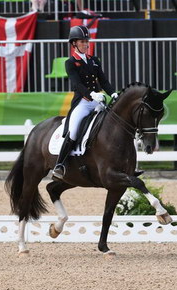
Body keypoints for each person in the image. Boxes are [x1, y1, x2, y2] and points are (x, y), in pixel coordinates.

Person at [51, 25, 118, 180]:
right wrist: (92, 94)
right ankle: (60, 165)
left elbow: (104, 80)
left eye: (87, 41)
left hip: (98, 101)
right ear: (74, 43)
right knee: (73, 130)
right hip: (83, 102)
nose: (86, 44)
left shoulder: (94, 61)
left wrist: (113, 93)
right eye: (82, 41)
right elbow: (77, 85)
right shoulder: (71, 62)